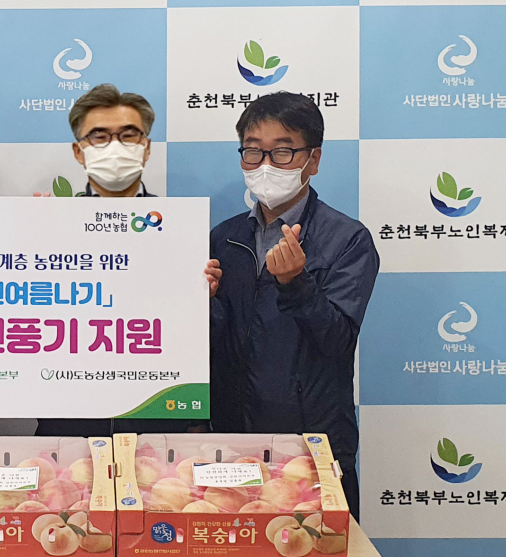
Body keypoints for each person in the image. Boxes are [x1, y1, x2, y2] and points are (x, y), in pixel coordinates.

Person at [203, 92, 379, 518]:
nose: (265, 165)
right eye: (253, 151)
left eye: (282, 152)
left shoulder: (347, 239)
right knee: (230, 550)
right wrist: (201, 305)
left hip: (309, 446)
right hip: (232, 442)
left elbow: (338, 342)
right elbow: (216, 342)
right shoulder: (224, 238)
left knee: (313, 556)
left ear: (312, 159)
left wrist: (296, 283)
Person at [36, 84, 205, 438]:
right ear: (79, 151)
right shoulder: (50, 227)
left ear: (146, 148)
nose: (115, 147)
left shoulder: (183, 231)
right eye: (99, 137)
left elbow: (200, 336)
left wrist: (207, 298)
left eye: (128, 136)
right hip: (68, 424)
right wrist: (34, 244)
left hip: (157, 425)